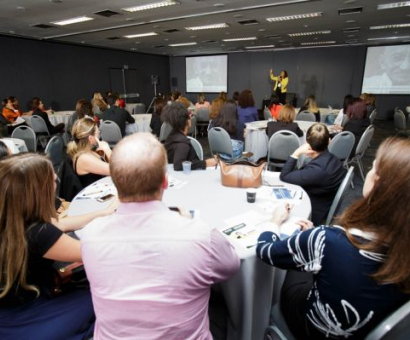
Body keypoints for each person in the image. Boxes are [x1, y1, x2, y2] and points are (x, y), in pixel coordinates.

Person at [80, 133, 240, 339]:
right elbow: (232, 266)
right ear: (165, 182)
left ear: (115, 183)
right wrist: (191, 224)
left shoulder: (90, 236)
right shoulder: (201, 236)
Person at [257, 137, 410, 340]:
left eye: (372, 168)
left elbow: (266, 250)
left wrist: (275, 222)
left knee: (289, 272)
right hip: (369, 326)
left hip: (316, 328)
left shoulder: (330, 241)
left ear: (377, 183)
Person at [0, 153, 95, 339]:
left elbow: (62, 226)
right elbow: (101, 252)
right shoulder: (40, 233)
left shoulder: (14, 221)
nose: (56, 183)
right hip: (23, 317)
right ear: (38, 190)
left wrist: (103, 212)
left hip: (11, 306)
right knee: (99, 298)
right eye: (52, 181)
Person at [280, 123, 345, 225]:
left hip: (312, 209)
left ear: (307, 144)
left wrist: (296, 153)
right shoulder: (334, 159)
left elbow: (284, 176)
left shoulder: (317, 170)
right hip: (324, 200)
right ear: (329, 141)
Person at [163, 102, 217, 171]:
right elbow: (179, 165)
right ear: (188, 121)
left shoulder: (171, 136)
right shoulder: (182, 143)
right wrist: (205, 163)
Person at [67, 118, 111, 187]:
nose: (99, 134)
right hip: (94, 195)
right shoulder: (84, 158)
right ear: (90, 138)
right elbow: (116, 171)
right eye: (97, 132)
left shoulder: (88, 152)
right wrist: (107, 149)